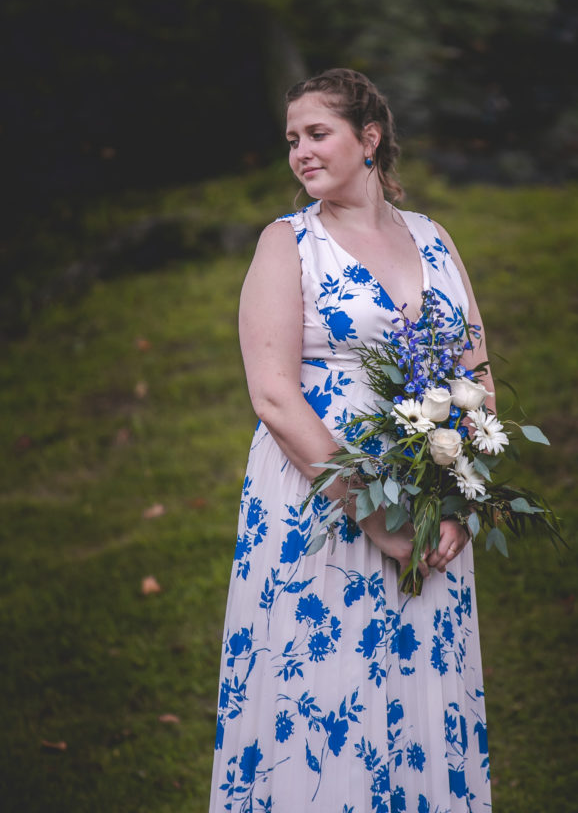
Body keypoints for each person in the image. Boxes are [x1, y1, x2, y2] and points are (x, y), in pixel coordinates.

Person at [209, 69, 493, 812]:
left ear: (368, 138)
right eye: (291, 140)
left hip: (428, 504)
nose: (300, 152)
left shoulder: (433, 238)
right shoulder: (287, 243)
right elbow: (273, 393)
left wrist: (459, 499)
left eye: (316, 133)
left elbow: (475, 372)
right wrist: (373, 514)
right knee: (324, 698)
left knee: (415, 690)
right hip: (320, 502)